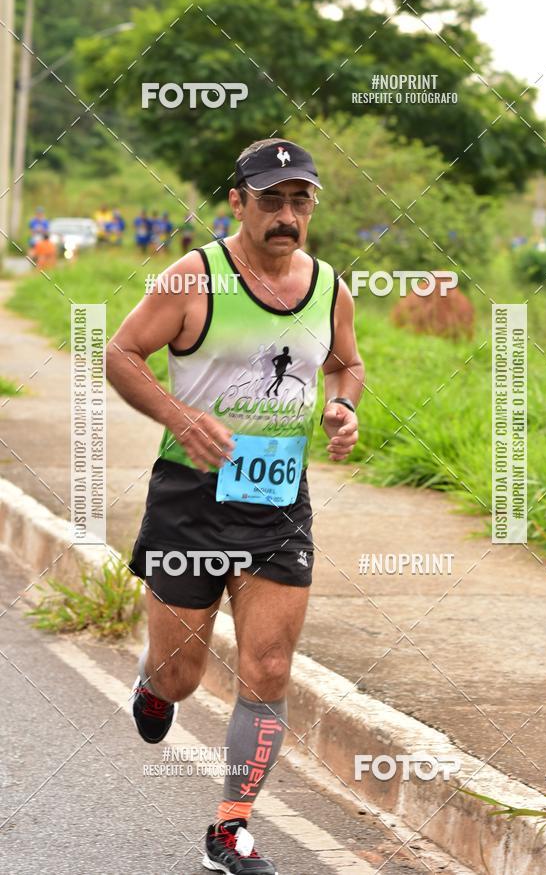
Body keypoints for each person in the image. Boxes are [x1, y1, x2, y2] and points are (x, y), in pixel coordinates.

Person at [106, 137, 364, 874]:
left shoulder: (329, 287)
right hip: (192, 498)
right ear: (238, 202)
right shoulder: (195, 277)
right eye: (272, 199)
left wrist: (343, 408)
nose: (287, 215)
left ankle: (231, 827)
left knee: (270, 667)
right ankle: (155, 684)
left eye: (300, 200)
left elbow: (345, 361)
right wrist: (180, 417)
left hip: (279, 501)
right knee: (183, 675)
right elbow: (121, 353)